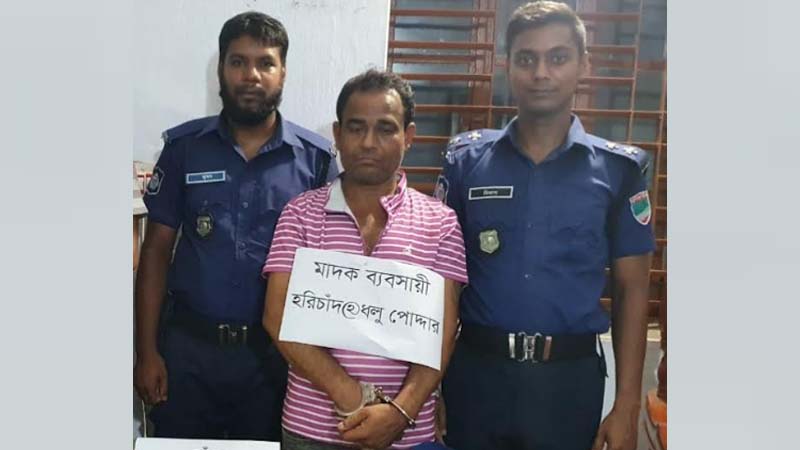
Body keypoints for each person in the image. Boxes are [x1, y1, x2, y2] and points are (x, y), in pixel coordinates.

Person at [438, 2, 655, 450]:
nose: (541, 73)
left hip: (567, 385)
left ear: (583, 65)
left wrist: (627, 403)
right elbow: (441, 282)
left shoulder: (618, 171)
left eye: (557, 58)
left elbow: (632, 289)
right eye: (526, 58)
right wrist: (431, 384)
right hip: (476, 375)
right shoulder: (466, 162)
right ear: (507, 66)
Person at [134, 11, 339, 440]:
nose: (251, 75)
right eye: (238, 62)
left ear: (283, 72)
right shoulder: (185, 149)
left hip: (275, 362)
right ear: (221, 71)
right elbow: (155, 253)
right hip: (188, 354)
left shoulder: (315, 161)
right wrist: (146, 352)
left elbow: (331, 269)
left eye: (265, 63)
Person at [261, 69, 468, 449]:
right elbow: (277, 317)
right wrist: (353, 396)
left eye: (386, 129)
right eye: (356, 128)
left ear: (409, 136)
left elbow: (443, 332)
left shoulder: (440, 222)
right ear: (338, 135)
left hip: (406, 432)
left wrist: (399, 413)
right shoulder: (300, 214)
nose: (369, 142)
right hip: (312, 431)